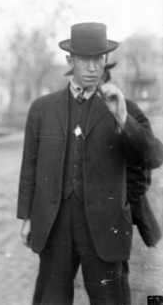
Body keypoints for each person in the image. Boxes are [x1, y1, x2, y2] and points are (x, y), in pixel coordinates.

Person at [17, 23, 163, 305]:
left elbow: (155, 157)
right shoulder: (43, 108)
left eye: (99, 59)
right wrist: (27, 216)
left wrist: (122, 117)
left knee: (111, 299)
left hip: (105, 226)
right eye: (84, 59)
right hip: (55, 223)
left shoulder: (124, 107)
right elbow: (30, 167)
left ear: (106, 60)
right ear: (70, 61)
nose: (93, 67)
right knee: (50, 299)